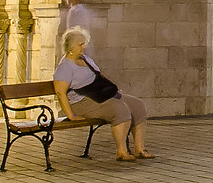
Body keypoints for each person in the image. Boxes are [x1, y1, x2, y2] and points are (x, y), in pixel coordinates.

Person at [52, 30, 152, 162]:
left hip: (99, 95)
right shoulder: (65, 67)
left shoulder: (85, 59)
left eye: (84, 43)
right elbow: (60, 92)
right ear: (71, 47)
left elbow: (100, 75)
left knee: (137, 105)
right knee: (119, 109)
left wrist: (112, 89)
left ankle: (140, 149)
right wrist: (71, 116)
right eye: (80, 44)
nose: (84, 47)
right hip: (81, 103)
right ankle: (122, 152)